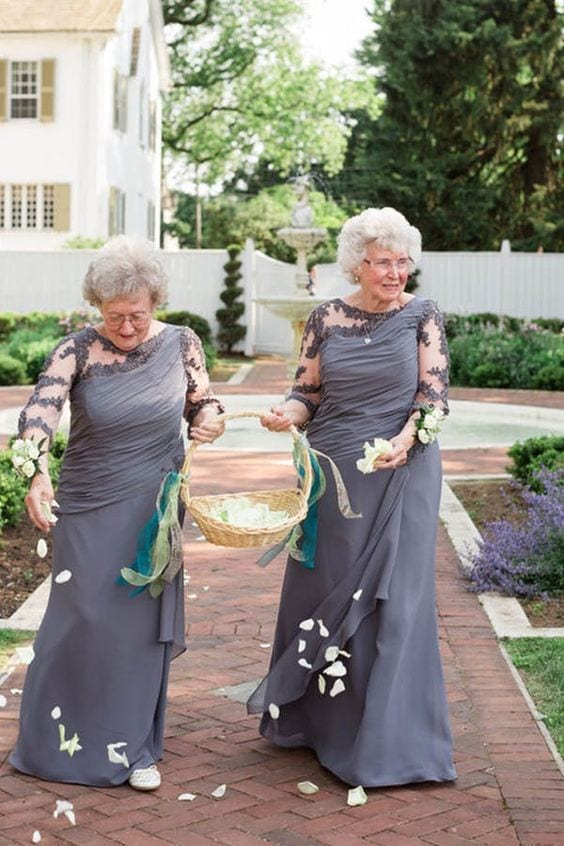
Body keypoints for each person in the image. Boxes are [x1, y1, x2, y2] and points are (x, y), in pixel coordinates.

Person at [248, 207, 456, 788]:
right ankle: (318, 725)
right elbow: (306, 392)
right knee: (327, 587)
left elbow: (434, 397)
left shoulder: (423, 316)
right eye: (382, 262)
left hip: (402, 468)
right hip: (332, 472)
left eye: (402, 261)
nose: (395, 273)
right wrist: (283, 415)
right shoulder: (325, 318)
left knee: (397, 598)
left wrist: (406, 440)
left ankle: (390, 740)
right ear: (357, 266)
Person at [9, 237, 224, 790]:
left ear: (156, 302)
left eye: (137, 315)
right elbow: (39, 412)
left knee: (135, 629)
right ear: (96, 308)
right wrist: (36, 473)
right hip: (87, 502)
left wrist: (211, 420)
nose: (126, 327)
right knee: (79, 619)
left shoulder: (182, 344)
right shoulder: (75, 350)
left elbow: (204, 402)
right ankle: (51, 740)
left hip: (155, 506)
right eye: (113, 316)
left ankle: (133, 749)